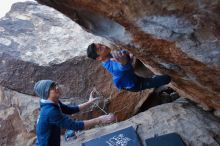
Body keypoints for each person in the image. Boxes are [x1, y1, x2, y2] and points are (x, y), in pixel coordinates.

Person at [34, 80, 115, 146]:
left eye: (55, 84)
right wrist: (99, 120)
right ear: (45, 93)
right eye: (52, 87)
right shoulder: (50, 111)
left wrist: (89, 103)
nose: (57, 87)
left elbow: (69, 110)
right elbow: (74, 125)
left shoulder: (52, 101)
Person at [87, 43, 171, 92]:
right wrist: (124, 62)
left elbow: (123, 54)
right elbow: (120, 67)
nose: (104, 46)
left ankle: (152, 80)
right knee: (166, 78)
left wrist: (127, 55)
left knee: (145, 78)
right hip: (134, 85)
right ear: (99, 58)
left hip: (131, 77)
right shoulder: (112, 67)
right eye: (100, 49)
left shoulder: (107, 56)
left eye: (101, 45)